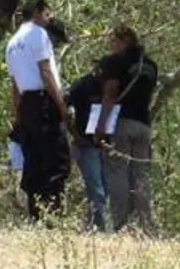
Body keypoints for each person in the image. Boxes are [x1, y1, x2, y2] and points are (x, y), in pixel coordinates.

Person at [5, 0, 69, 221]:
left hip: (27, 105)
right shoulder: (38, 34)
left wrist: (18, 115)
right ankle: (53, 215)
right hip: (44, 103)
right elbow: (46, 71)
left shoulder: (12, 42)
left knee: (34, 160)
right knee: (55, 159)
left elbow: (15, 84)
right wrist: (61, 105)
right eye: (47, 14)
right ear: (38, 12)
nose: (49, 19)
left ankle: (36, 214)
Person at [93, 25, 159, 235]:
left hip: (121, 123)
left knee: (117, 172)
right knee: (141, 175)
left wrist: (100, 127)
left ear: (122, 41)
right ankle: (145, 224)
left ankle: (120, 224)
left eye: (113, 41)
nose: (111, 46)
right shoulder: (150, 65)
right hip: (143, 125)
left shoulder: (114, 62)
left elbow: (110, 93)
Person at [66, 62, 108, 232]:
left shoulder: (111, 86)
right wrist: (75, 134)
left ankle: (91, 225)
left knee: (105, 187)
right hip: (85, 144)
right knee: (95, 187)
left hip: (104, 144)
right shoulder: (82, 85)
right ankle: (101, 228)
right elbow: (64, 104)